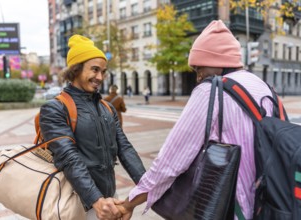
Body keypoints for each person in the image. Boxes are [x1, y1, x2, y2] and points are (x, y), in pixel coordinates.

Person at [116, 20, 275, 220]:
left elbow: (170, 161)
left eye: (199, 68)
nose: (198, 77)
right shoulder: (263, 87)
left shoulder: (210, 91)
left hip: (232, 209)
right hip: (265, 204)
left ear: (217, 63)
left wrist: (129, 203)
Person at [39, 34, 145, 220]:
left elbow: (125, 148)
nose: (100, 77)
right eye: (94, 70)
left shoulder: (107, 107)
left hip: (109, 199)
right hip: (76, 203)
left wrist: (147, 185)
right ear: (76, 69)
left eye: (103, 72)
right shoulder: (55, 108)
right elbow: (69, 158)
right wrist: (96, 200)